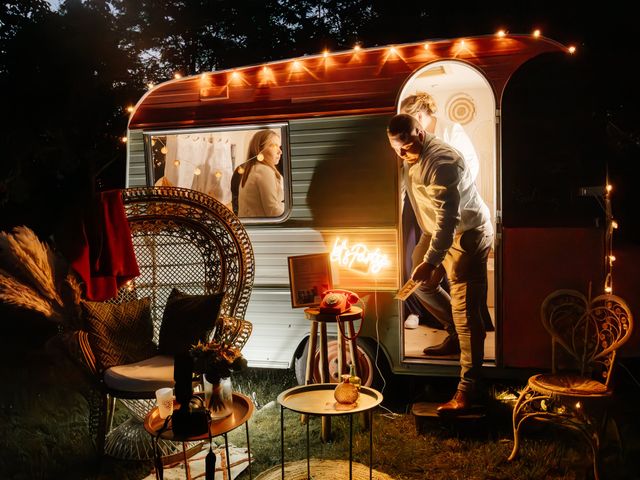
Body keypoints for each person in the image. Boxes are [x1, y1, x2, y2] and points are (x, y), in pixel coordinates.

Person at [387, 113, 493, 412]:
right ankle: (453, 333)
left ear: (420, 133)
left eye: (406, 146)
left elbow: (450, 221)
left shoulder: (443, 162)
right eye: (396, 148)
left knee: (466, 310)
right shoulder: (408, 155)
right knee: (418, 284)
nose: (402, 153)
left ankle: (469, 388)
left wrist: (432, 260)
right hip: (435, 232)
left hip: (467, 235)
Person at [399, 92, 494, 338]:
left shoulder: (450, 134)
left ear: (419, 116)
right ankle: (455, 328)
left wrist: (449, 194)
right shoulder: (408, 144)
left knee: (462, 285)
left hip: (457, 216)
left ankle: (467, 334)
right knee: (419, 281)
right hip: (431, 218)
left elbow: (469, 167)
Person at [237, 130, 284, 217]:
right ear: (260, 149)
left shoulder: (253, 168)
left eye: (279, 146)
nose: (280, 151)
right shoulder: (263, 170)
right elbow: (273, 211)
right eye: (274, 146)